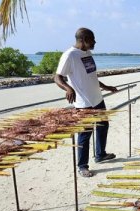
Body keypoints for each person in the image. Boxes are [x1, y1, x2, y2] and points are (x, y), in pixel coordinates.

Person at [54, 28, 118, 177]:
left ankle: (100, 154)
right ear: (83, 39)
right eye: (92, 39)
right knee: (85, 134)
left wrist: (106, 87)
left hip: (97, 99)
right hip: (84, 103)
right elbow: (57, 77)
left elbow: (92, 77)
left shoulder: (87, 53)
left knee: (103, 126)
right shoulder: (69, 55)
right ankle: (82, 166)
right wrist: (68, 88)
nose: (94, 42)